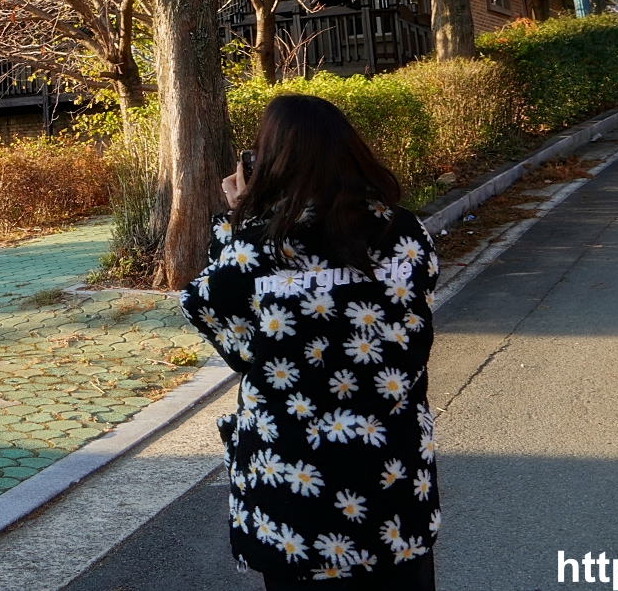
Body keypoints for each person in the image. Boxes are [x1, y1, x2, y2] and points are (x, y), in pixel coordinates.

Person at [180, 94, 441, 588]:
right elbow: (413, 322)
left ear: (267, 163)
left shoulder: (254, 245)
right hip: (392, 476)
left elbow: (229, 335)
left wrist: (240, 220)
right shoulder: (404, 231)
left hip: (291, 489)